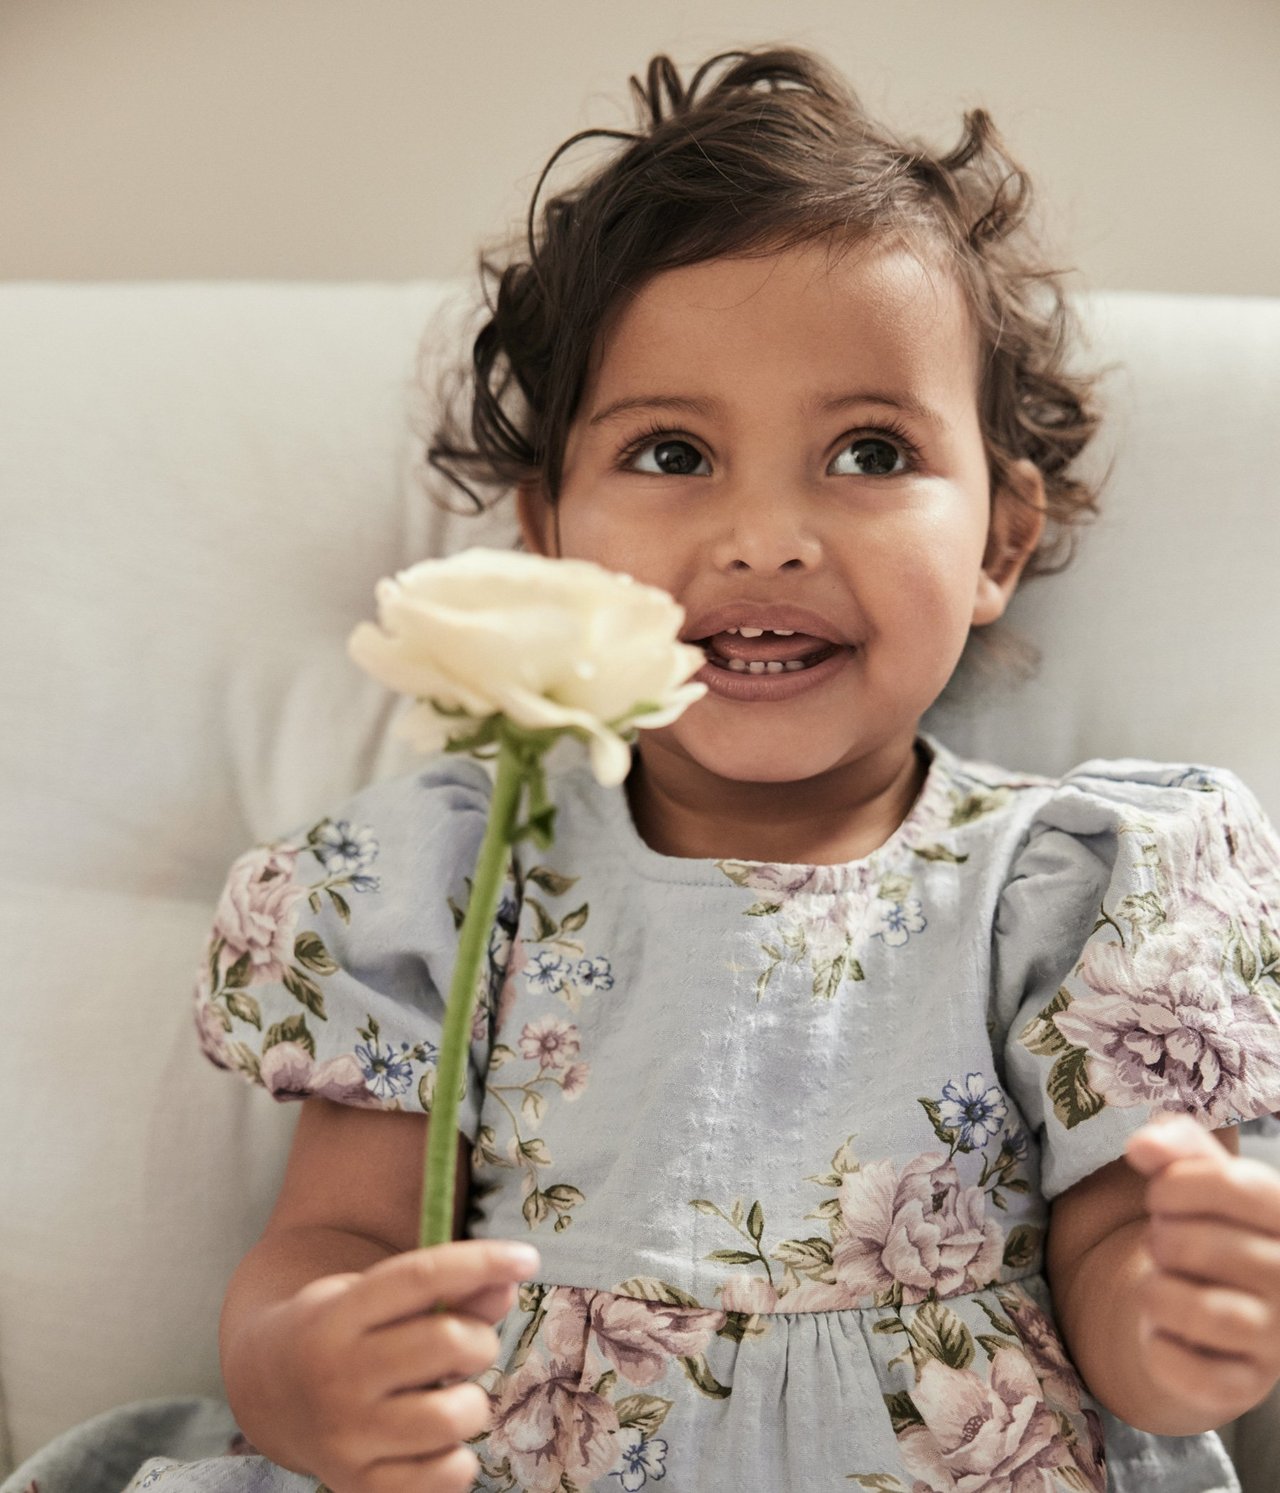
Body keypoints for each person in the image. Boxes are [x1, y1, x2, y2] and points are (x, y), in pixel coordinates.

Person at [8, 44, 1280, 1493]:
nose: (765, 535)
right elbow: (336, 1242)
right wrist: (311, 1367)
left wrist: (1185, 1318)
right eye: (673, 451)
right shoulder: (460, 875)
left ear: (998, 541)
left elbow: (1117, 1255)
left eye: (867, 452)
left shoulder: (1063, 884)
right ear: (550, 535)